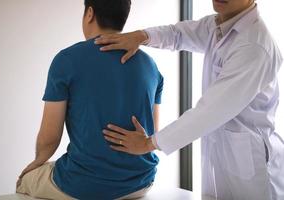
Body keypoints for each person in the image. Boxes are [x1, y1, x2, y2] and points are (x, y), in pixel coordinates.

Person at [97, 0, 284, 199]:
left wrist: (148, 144)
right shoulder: (218, 25)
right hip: (223, 152)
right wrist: (141, 36)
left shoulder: (254, 45)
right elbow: (178, 34)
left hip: (250, 164)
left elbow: (210, 111)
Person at [16, 0, 164, 199]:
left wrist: (36, 163)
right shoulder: (151, 66)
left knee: (25, 181)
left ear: (90, 13)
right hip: (142, 182)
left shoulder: (66, 60)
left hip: (84, 186)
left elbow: (50, 138)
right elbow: (151, 133)